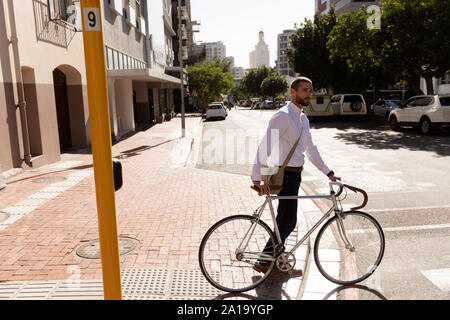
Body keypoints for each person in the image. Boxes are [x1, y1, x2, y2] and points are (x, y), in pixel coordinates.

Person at [251, 76, 341, 279]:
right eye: (304, 90)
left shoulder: (302, 118)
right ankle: (266, 261)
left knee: (284, 221)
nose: (309, 93)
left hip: (295, 177)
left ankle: (275, 263)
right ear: (293, 92)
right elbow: (266, 145)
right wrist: (257, 176)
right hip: (284, 176)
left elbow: (311, 150)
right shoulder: (282, 116)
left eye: (310, 90)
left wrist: (328, 172)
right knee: (288, 222)